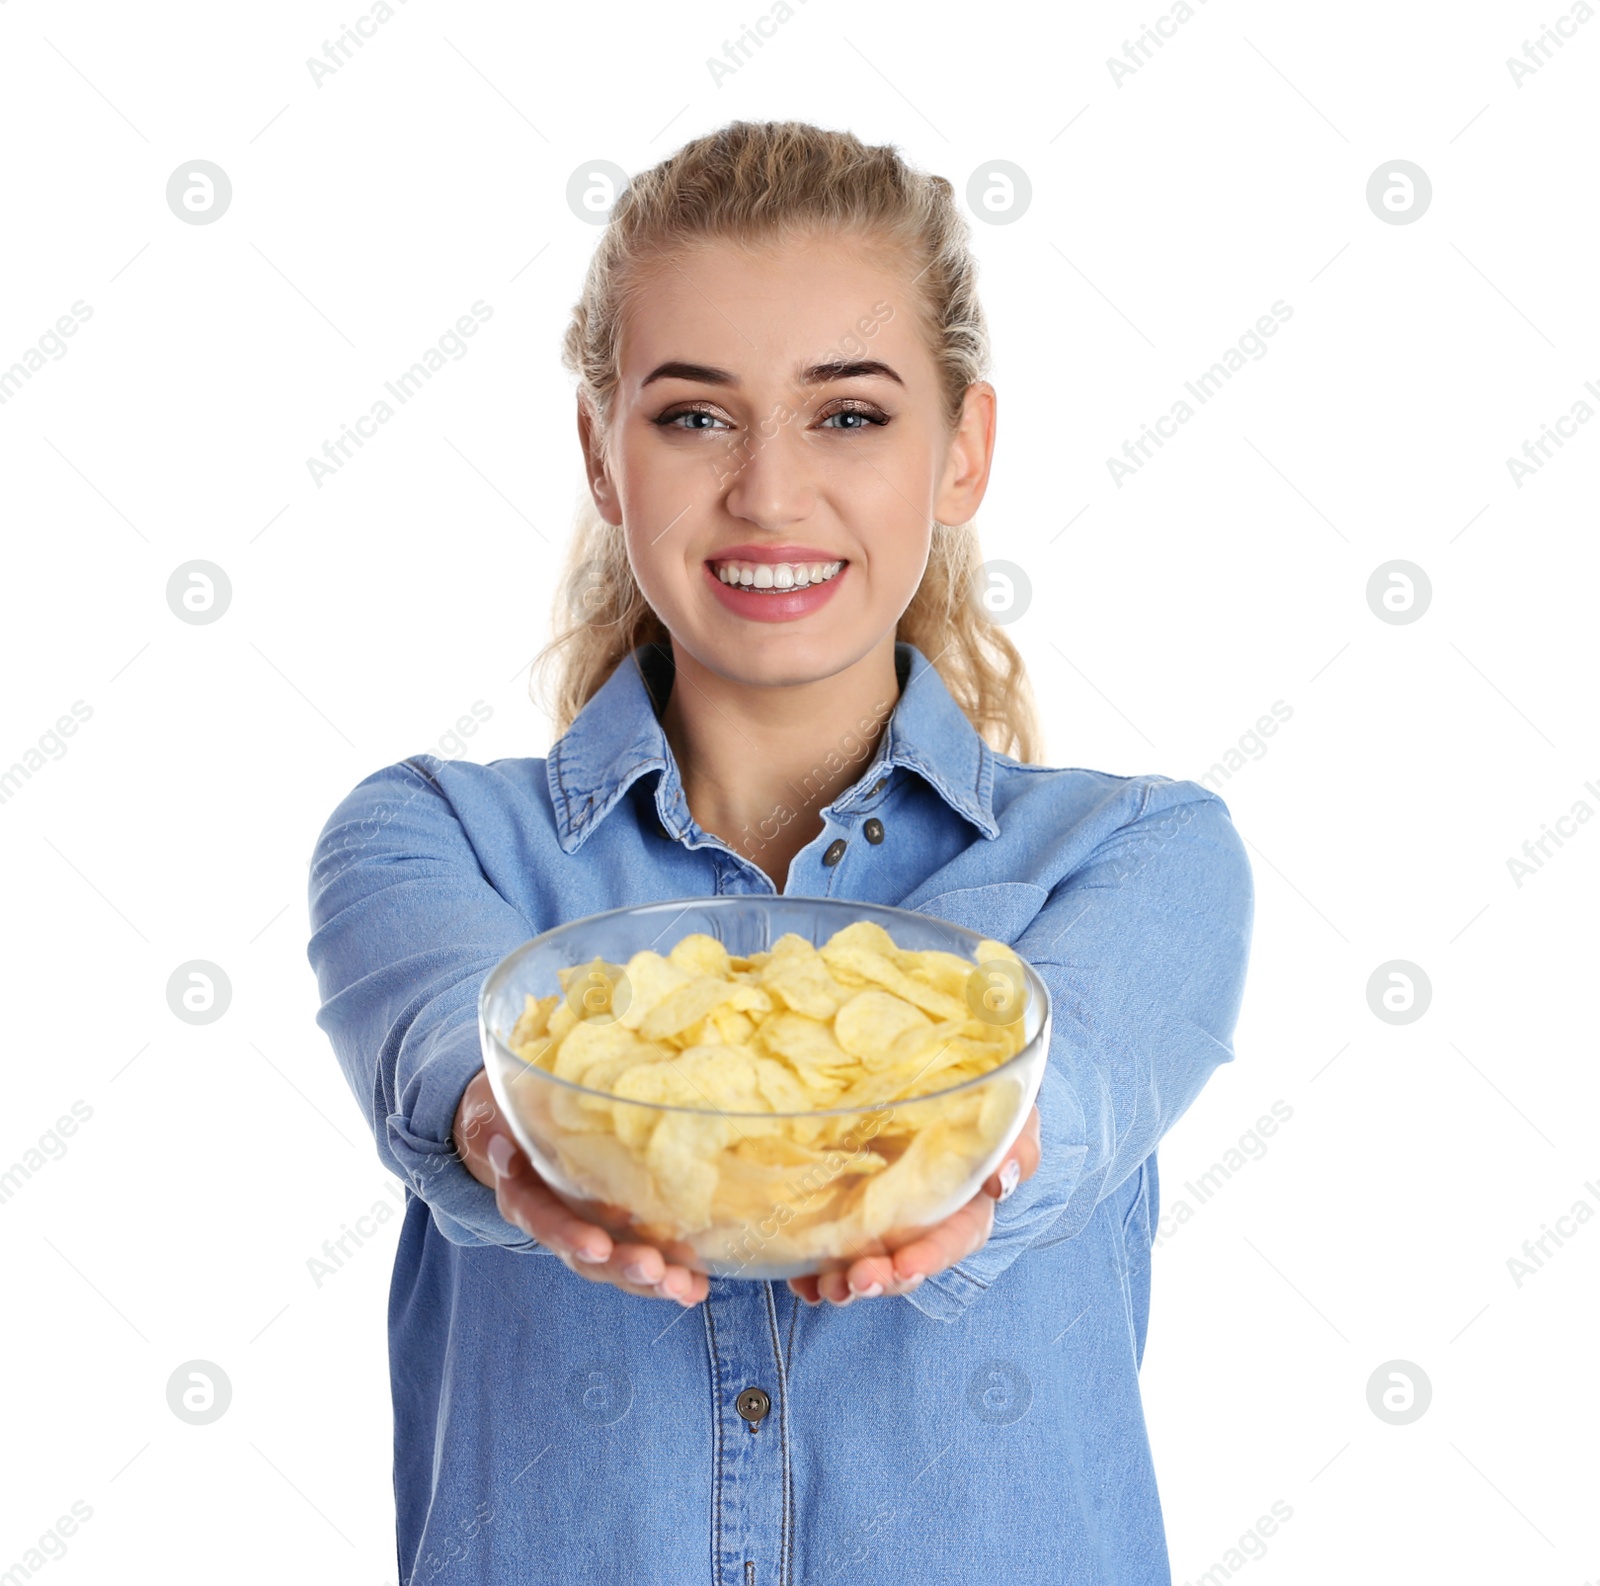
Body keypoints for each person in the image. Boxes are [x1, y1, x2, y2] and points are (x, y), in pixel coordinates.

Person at [307, 118, 1254, 1586]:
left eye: (851, 415)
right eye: (693, 416)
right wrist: (508, 1132)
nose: (767, 492)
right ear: (600, 454)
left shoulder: (1139, 856)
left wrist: (982, 1150)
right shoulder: (431, 836)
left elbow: (1072, 1088)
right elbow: (448, 1049)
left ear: (965, 450)